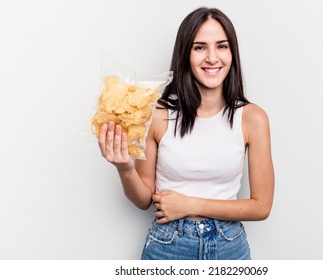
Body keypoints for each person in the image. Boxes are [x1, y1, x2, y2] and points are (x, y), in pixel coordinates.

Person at [98, 7, 274, 260]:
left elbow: (261, 206)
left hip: (228, 246)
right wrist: (125, 168)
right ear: (185, 55)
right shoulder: (158, 114)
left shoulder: (252, 118)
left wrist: (191, 205)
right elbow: (144, 199)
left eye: (222, 46)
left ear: (232, 53)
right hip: (168, 245)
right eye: (199, 47)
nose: (212, 58)